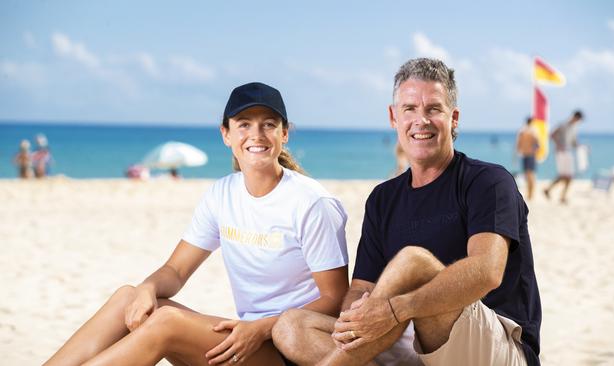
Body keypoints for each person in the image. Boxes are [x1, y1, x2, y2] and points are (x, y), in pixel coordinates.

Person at [44, 82, 350, 366]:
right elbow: (175, 271)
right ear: (226, 134)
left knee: (167, 323)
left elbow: (334, 301)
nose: (256, 134)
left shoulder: (311, 203)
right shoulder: (222, 194)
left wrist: (261, 328)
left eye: (268, 124)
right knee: (130, 296)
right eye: (244, 124)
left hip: (290, 349)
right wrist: (148, 287)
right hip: (244, 339)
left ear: (284, 134)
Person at [272, 58, 542, 366]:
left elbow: (487, 270)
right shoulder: (383, 199)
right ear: (393, 117)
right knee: (291, 326)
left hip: (493, 347)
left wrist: (397, 309)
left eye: (433, 109)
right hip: (408, 341)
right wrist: (356, 318)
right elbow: (362, 287)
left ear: (453, 118)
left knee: (413, 263)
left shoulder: (488, 182)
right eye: (410, 109)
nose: (421, 120)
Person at [543, 110, 584, 204]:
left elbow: (573, 142)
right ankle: (561, 196)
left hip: (568, 152)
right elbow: (551, 134)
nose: (578, 122)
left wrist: (582, 147)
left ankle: (551, 191)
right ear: (575, 117)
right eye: (578, 119)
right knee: (566, 176)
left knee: (567, 176)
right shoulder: (563, 124)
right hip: (561, 152)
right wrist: (558, 145)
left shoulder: (575, 127)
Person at [516, 116, 540, 200]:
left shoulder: (523, 131)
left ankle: (530, 194)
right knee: (530, 175)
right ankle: (530, 194)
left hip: (525, 154)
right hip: (529, 154)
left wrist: (518, 154)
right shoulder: (532, 131)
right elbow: (537, 144)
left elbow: (518, 145)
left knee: (529, 175)